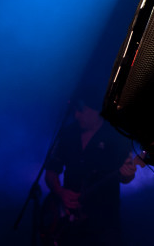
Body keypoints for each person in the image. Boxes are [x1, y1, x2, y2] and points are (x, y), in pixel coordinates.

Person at [41, 93, 141, 246]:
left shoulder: (117, 136)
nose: (76, 115)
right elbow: (51, 171)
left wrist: (128, 174)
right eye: (75, 111)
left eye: (81, 111)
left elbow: (126, 177)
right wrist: (60, 192)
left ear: (96, 111)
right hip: (68, 220)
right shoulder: (68, 134)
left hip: (104, 222)